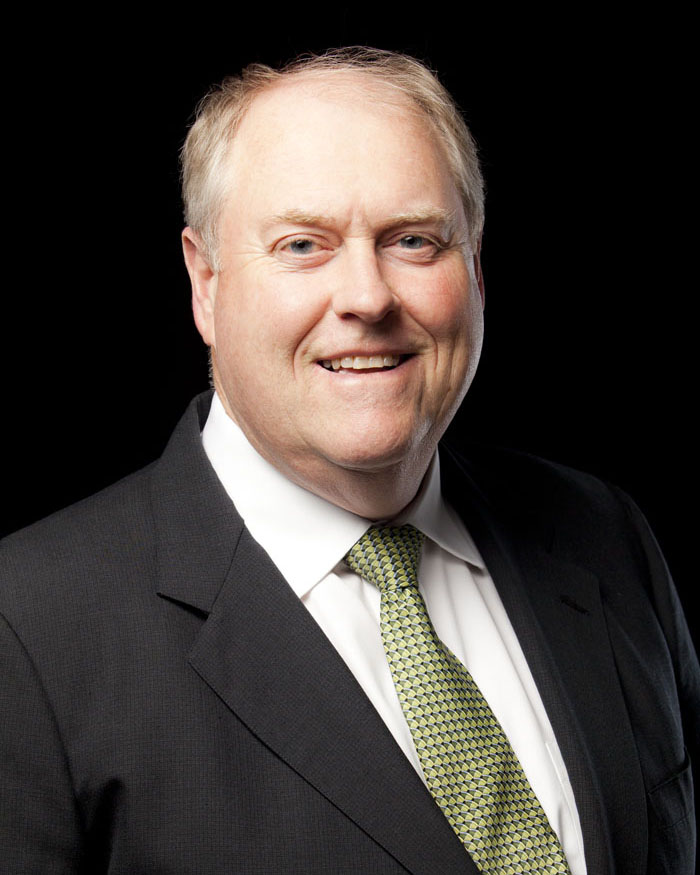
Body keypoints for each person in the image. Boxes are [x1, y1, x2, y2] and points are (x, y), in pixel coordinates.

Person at [1, 47, 697, 875]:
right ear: (206, 281)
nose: (367, 296)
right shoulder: (28, 629)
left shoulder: (605, 538)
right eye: (303, 244)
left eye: (413, 240)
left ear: (475, 268)